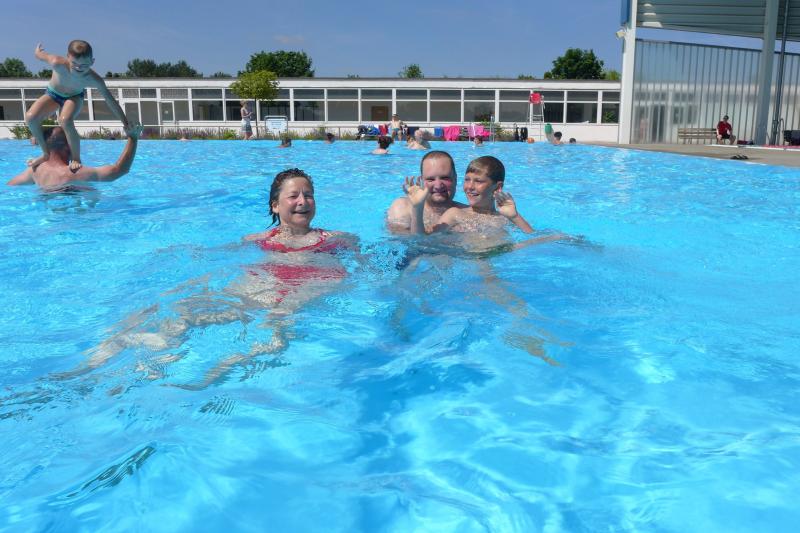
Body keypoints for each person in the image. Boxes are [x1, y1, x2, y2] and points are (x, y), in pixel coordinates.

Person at [72, 168, 357, 388]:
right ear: (275, 205)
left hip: (297, 297)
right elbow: (220, 256)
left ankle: (200, 382)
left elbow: (365, 266)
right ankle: (94, 366)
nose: (303, 201)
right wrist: (185, 253)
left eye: (309, 195)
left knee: (274, 338)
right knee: (178, 309)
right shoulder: (256, 240)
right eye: (294, 196)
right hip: (256, 289)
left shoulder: (338, 239)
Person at [26, 40, 132, 171]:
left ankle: (76, 158)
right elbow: (41, 56)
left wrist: (125, 123)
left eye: (84, 65)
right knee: (30, 117)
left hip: (74, 97)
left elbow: (111, 101)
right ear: (68, 57)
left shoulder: (94, 79)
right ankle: (45, 154)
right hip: (53, 94)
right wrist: (38, 51)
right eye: (74, 64)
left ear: (92, 62)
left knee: (65, 120)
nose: (79, 68)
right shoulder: (57, 63)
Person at [7, 124, 143, 189]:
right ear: (68, 146)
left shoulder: (35, 170)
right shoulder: (77, 173)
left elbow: (10, 184)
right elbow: (120, 170)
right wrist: (133, 138)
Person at [386, 151, 466, 233]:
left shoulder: (466, 212)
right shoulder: (402, 208)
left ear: (455, 179)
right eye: (430, 179)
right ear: (422, 181)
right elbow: (404, 240)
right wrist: (417, 208)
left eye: (445, 178)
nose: (438, 186)